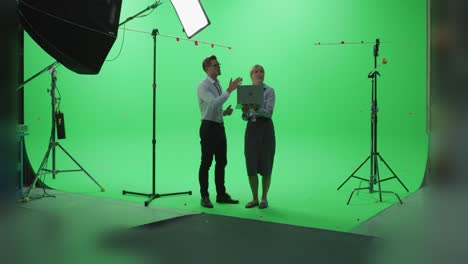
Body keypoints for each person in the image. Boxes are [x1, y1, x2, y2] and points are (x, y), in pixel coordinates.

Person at [197, 55, 242, 208]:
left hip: (219, 127)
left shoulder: (217, 84)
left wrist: (225, 113)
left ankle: (221, 194)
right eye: (215, 65)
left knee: (222, 162)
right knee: (206, 162)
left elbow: (213, 108)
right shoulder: (203, 86)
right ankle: (204, 196)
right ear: (207, 69)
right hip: (208, 128)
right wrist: (230, 90)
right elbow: (213, 103)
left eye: (218, 65)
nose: (218, 67)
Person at [242, 64, 276, 209]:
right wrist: (245, 111)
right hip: (251, 128)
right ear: (251, 75)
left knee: (266, 163)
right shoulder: (247, 91)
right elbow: (245, 117)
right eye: (256, 71)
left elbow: (269, 113)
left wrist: (257, 108)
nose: (259, 73)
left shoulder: (269, 91)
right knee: (251, 163)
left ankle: (264, 198)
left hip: (265, 128)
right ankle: (254, 198)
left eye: (261, 71)